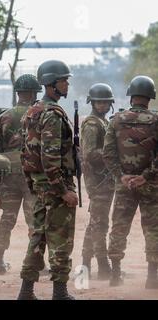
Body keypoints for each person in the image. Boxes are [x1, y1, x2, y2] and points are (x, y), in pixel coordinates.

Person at [17, 60, 77, 300]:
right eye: (64, 80)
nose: (67, 84)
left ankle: (26, 291)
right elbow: (49, 156)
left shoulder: (34, 111)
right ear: (51, 84)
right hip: (54, 186)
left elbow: (26, 152)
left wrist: (34, 182)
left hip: (41, 185)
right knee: (60, 238)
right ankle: (60, 292)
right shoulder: (52, 114)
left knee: (38, 236)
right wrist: (63, 190)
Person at [103, 75, 158, 289]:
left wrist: (121, 176)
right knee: (153, 228)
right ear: (150, 97)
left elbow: (108, 154)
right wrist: (146, 176)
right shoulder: (156, 121)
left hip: (124, 185)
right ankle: (152, 277)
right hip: (151, 185)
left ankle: (115, 273)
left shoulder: (116, 120)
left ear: (131, 95)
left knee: (119, 226)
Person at [0, 74, 40, 275]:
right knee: (34, 219)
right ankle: (37, 261)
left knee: (7, 217)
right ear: (33, 93)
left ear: (18, 93)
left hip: (9, 173)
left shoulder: (4, 116)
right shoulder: (38, 114)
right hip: (31, 173)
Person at [80, 83, 115, 280]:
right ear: (92, 102)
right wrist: (113, 153)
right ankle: (103, 266)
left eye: (105, 101)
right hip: (98, 181)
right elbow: (90, 154)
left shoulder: (102, 121)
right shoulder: (93, 124)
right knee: (100, 223)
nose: (102, 104)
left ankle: (85, 264)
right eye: (99, 101)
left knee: (95, 222)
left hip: (103, 179)